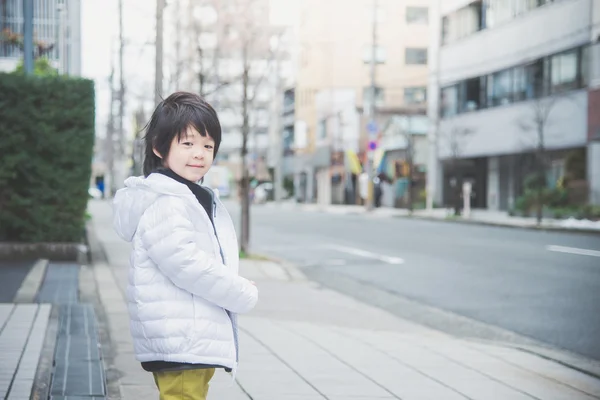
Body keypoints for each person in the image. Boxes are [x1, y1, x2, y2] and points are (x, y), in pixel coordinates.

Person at [112, 92, 258, 400]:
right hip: (181, 337)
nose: (200, 154)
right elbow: (186, 263)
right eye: (187, 143)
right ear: (159, 147)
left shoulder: (189, 194)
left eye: (208, 145)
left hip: (191, 334)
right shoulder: (166, 201)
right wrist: (241, 291)